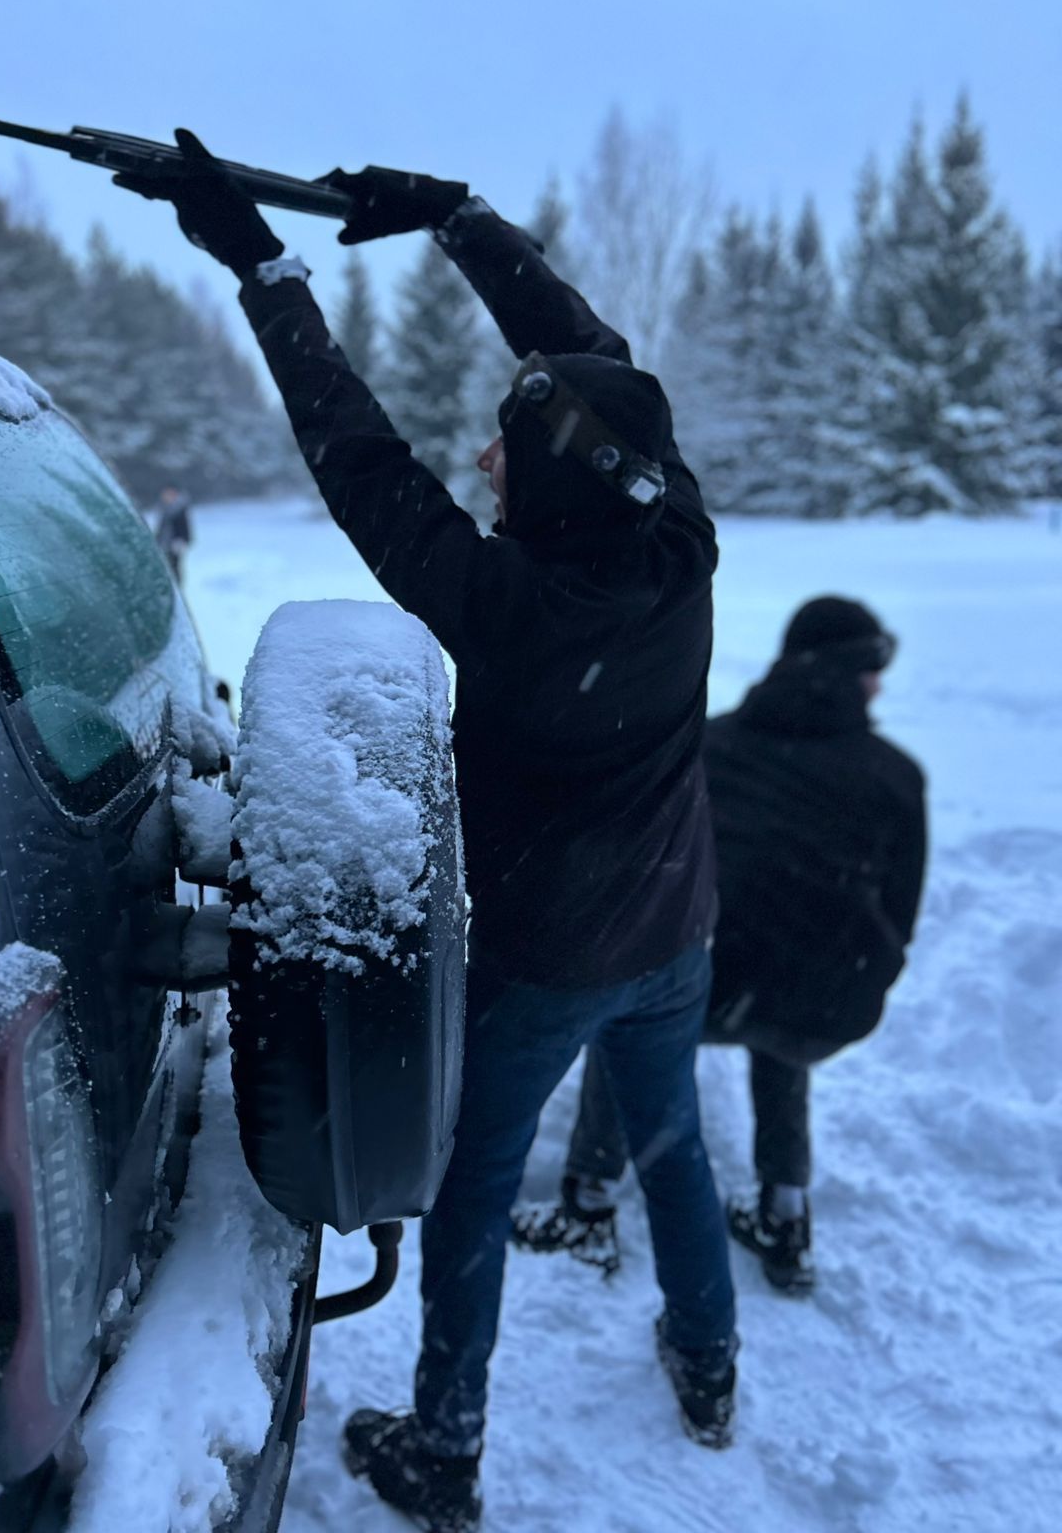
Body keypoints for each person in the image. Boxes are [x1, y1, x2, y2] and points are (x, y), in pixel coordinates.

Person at [114, 132, 737, 1532]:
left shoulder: (513, 609)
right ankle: (709, 1359)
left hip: (548, 964)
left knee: (467, 1201)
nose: (481, 462)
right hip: (677, 924)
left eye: (506, 454)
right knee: (675, 1147)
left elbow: (359, 457)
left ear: (548, 488)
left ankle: (445, 1453)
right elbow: (606, 368)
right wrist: (463, 221)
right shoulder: (675, 539)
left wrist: (266, 267)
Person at [516, 597, 927, 1296]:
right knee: (793, 997)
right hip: (818, 1007)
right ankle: (784, 1214)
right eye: (874, 667)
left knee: (629, 1007)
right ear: (855, 672)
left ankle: (587, 1201)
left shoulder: (710, 742)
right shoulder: (893, 774)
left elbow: (643, 862)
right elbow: (901, 914)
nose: (881, 684)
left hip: (699, 981)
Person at [154, 484, 192, 582]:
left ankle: (177, 587)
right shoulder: (163, 509)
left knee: (174, 567)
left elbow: (185, 528)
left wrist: (183, 540)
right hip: (163, 543)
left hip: (175, 544)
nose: (167, 496)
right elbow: (161, 528)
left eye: (170, 494)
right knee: (166, 568)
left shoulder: (179, 509)